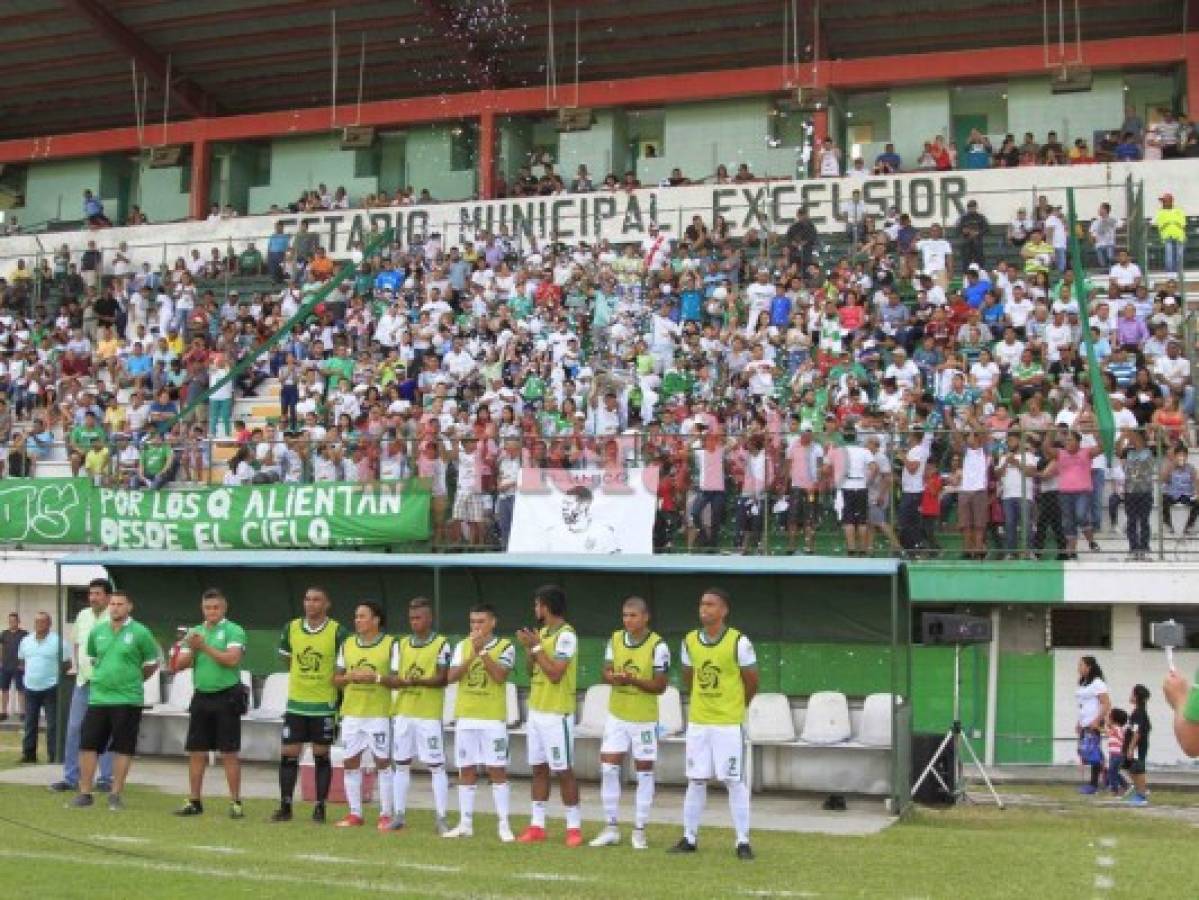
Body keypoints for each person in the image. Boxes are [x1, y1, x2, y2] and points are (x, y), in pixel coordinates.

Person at [670, 587, 758, 860]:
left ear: (724, 610)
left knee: (733, 780)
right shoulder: (689, 641)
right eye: (701, 604)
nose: (703, 609)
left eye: (710, 604)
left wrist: (734, 706)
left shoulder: (738, 642)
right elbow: (688, 677)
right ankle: (689, 837)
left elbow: (752, 681)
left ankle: (742, 841)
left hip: (728, 724)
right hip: (699, 722)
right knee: (696, 780)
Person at [67, 591, 160, 811]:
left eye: (120, 604)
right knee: (88, 745)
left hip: (127, 699)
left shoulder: (140, 632)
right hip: (99, 698)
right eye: (113, 604)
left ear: (130, 607)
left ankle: (115, 794)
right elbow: (92, 657)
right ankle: (85, 793)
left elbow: (151, 663)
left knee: (123, 747)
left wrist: (133, 679)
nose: (115, 607)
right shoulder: (98, 631)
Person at [590, 595, 670, 850]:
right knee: (609, 767)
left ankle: (639, 829)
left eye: (633, 615)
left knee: (644, 771)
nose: (628, 620)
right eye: (625, 615)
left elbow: (660, 686)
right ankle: (611, 827)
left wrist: (632, 680)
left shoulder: (659, 646)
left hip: (644, 718)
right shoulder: (615, 639)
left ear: (646, 617)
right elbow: (605, 670)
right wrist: (613, 678)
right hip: (617, 714)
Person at [271, 586, 349, 824]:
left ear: (327, 604)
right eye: (307, 599)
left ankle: (319, 807)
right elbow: (286, 657)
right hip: (296, 703)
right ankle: (285, 806)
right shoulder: (292, 628)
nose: (311, 603)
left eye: (316, 600)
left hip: (323, 704)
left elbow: (343, 664)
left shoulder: (338, 631)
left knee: (320, 754)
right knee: (288, 753)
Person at [514, 584, 582, 846]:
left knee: (563, 770)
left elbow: (555, 674)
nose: (535, 609)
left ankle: (573, 828)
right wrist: (530, 648)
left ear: (546, 606)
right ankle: (537, 825)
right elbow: (532, 671)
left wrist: (537, 648)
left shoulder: (567, 635)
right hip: (537, 711)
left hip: (557, 713)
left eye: (537, 604)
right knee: (538, 768)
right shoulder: (541, 633)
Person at [173, 588, 247, 819]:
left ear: (224, 608)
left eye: (216, 608)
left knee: (229, 752)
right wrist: (189, 649)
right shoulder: (195, 632)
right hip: (201, 696)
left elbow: (232, 659)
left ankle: (235, 802)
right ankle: (195, 800)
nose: (211, 612)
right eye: (207, 608)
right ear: (202, 609)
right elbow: (179, 664)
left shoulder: (234, 630)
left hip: (227, 696)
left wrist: (203, 647)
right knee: (196, 751)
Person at [444, 603, 516, 842]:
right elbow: (451, 677)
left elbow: (499, 676)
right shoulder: (462, 645)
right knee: (466, 769)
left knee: (497, 769)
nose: (476, 627)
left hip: (492, 718)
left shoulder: (506, 646)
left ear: (493, 622)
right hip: (466, 717)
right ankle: (465, 823)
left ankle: (504, 825)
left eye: (481, 622)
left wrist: (483, 652)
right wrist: (472, 654)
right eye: (473, 622)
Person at [385, 597, 452, 834]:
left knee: (436, 766)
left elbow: (443, 678)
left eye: (419, 617)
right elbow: (392, 678)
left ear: (429, 618)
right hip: (403, 713)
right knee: (401, 764)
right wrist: (400, 681)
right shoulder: (401, 644)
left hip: (428, 715)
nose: (414, 622)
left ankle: (441, 818)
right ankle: (399, 815)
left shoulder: (442, 644)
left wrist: (418, 680)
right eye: (411, 618)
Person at [332, 600, 398, 829]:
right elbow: (336, 679)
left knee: (383, 762)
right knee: (350, 762)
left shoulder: (391, 644)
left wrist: (376, 678)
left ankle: (386, 814)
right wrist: (350, 677)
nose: (357, 620)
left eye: (362, 616)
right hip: (351, 713)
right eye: (356, 616)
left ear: (376, 619)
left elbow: (398, 680)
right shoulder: (347, 644)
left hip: (378, 714)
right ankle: (355, 813)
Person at [52, 578, 115, 793]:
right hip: (83, 682)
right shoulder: (83, 615)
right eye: (91, 594)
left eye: (97, 593)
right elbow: (77, 642)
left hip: (107, 685)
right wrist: (78, 666)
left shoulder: (115, 616)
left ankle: (106, 779)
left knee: (106, 732)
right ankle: (71, 778)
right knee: (74, 729)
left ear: (108, 596)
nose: (93, 597)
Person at [17, 611, 69, 763]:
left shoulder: (58, 642)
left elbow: (67, 664)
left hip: (51, 688)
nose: (39, 624)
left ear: (49, 624)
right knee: (30, 722)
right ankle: (29, 754)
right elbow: (21, 662)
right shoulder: (26, 641)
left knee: (53, 724)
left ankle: (53, 755)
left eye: (43, 621)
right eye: (37, 621)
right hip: (30, 687)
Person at [1076, 655, 1111, 795]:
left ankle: (1094, 784)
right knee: (1086, 752)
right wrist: (1079, 721)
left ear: (1089, 667)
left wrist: (1097, 720)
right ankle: (1110, 777)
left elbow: (1106, 703)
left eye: (1081, 665)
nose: (1079, 668)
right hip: (1085, 723)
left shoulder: (1098, 683)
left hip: (1093, 724)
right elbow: (1083, 705)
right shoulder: (1084, 684)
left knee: (1093, 754)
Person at [1123, 684, 1152, 806]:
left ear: (1137, 697)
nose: (1130, 696)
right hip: (1132, 745)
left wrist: (1130, 748)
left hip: (1137, 747)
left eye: (1132, 694)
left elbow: (1138, 732)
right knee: (1128, 767)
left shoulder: (1139, 713)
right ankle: (1138, 789)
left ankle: (1142, 795)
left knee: (1138, 769)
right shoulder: (1136, 711)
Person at [0, 611, 27, 720]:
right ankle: (3, 712)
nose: (12, 623)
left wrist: (24, 663)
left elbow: (27, 649)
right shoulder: (4, 633)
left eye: (14, 621)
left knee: (21, 690)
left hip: (19, 666)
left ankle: (22, 712)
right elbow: (1, 648)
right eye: (10, 621)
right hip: (5, 667)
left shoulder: (24, 634)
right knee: (4, 689)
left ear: (18, 621)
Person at [1154, 193, 1186, 278]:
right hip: (1167, 236)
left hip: (1179, 235)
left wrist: (1171, 223)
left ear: (1170, 201)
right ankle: (1170, 274)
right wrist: (1169, 223)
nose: (1163, 203)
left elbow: (1182, 223)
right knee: (1169, 255)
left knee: (1179, 255)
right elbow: (1157, 222)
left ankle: (1179, 273)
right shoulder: (1160, 212)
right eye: (1163, 201)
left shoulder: (1178, 210)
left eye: (1165, 201)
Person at [1104, 708, 1129, 796]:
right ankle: (1125, 786)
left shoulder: (1117, 728)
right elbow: (1108, 732)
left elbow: (1108, 730)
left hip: (1117, 754)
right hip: (1113, 754)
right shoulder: (1116, 729)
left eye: (1109, 717)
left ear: (1114, 719)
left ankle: (1115, 790)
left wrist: (1105, 723)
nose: (1108, 719)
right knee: (1113, 771)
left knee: (1112, 771)